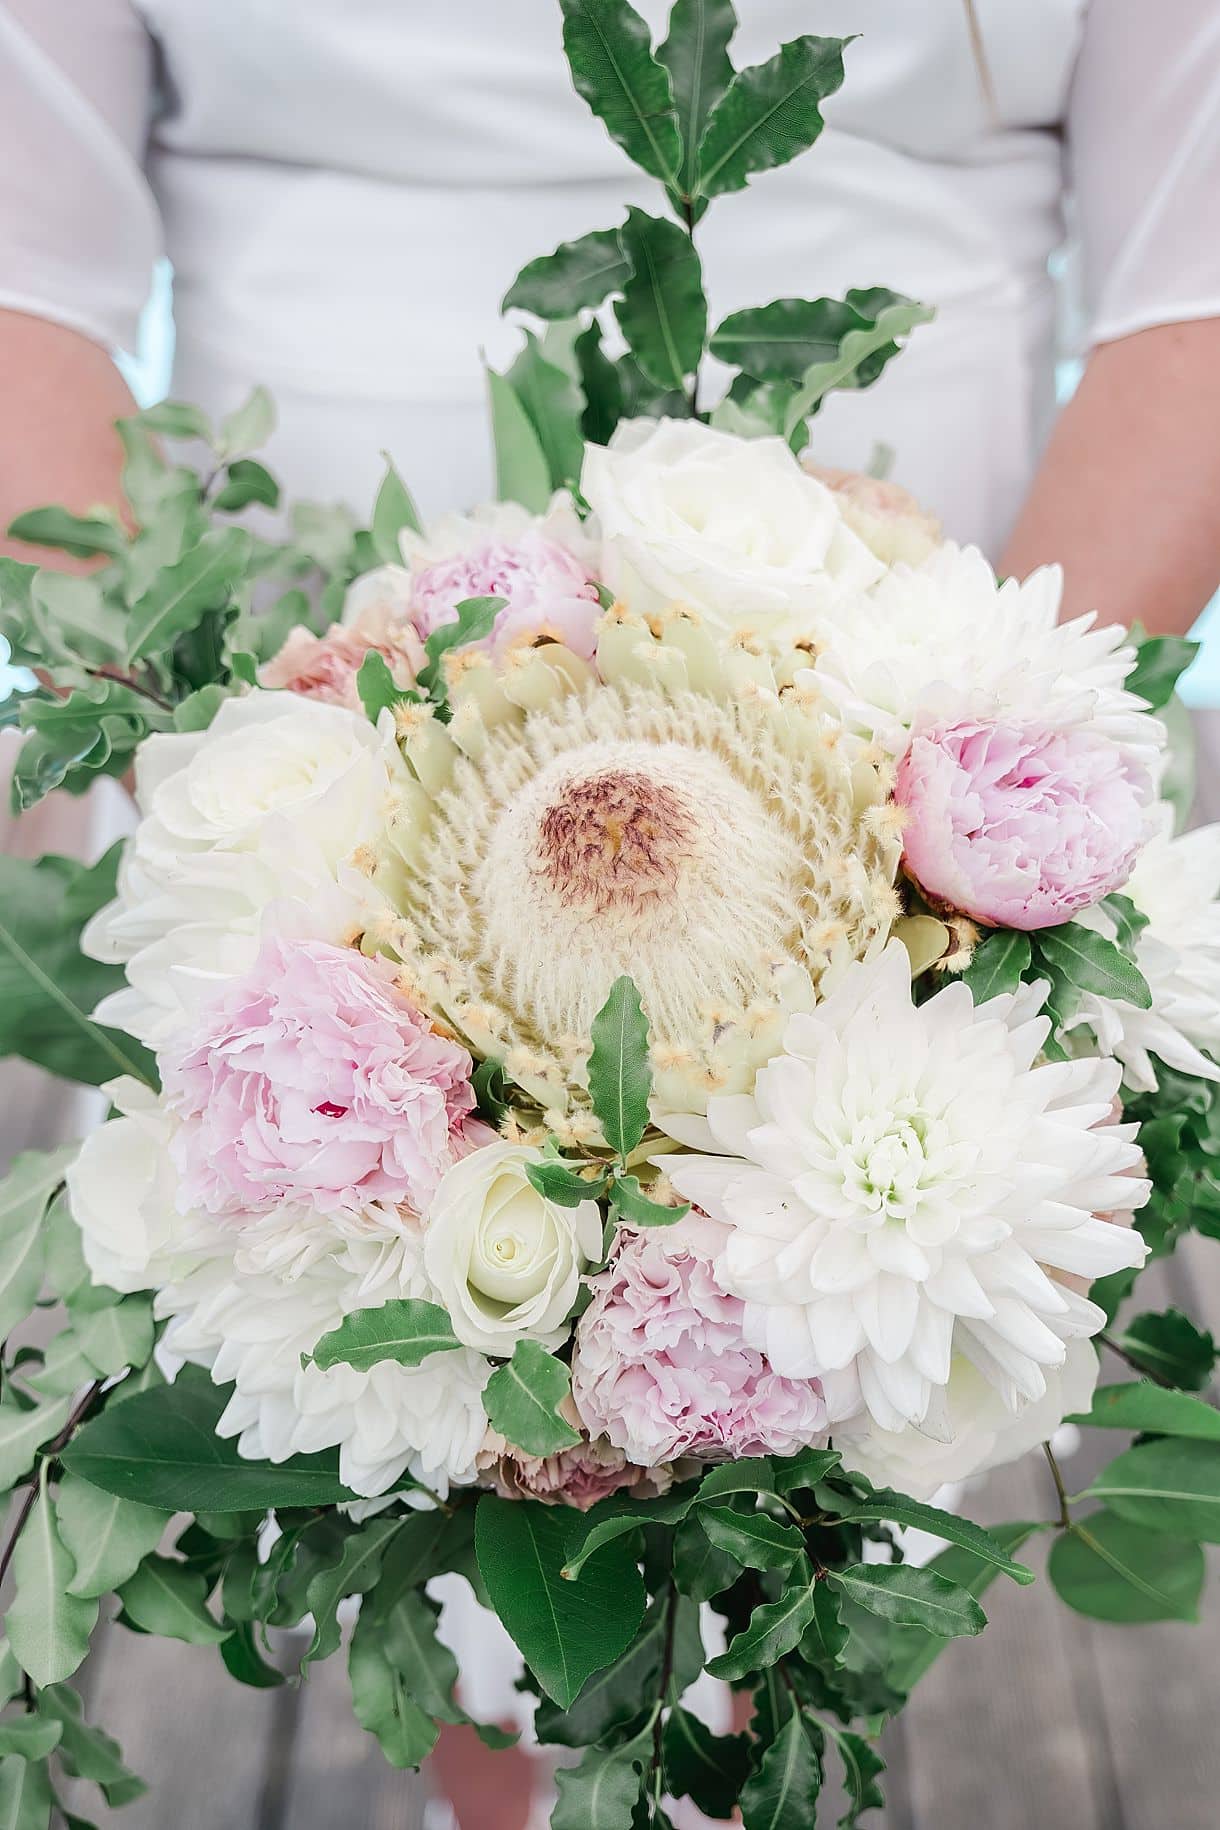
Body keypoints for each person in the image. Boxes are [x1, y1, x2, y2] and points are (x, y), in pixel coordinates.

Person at [0, 4, 1218, 1826]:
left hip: (902, 717)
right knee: (409, 1441)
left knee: (865, 1341)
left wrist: (976, 786)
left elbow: (1187, 281)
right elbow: (30, 273)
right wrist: (222, 750)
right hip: (295, 744)